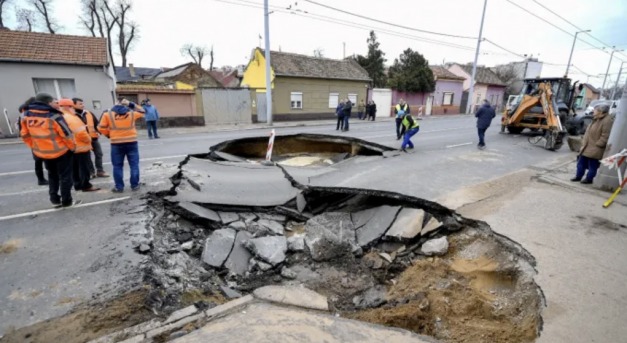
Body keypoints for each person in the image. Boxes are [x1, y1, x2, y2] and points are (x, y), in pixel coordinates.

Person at [20, 93, 78, 207]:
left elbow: (24, 134)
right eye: (53, 102)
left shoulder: (26, 116)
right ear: (48, 103)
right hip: (60, 152)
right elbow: (67, 134)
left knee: (52, 175)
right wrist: (72, 148)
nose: (55, 104)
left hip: (42, 152)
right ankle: (67, 201)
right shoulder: (54, 116)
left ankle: (54, 199)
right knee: (65, 177)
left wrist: (35, 146)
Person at [98, 97, 145, 193]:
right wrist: (130, 103)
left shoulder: (107, 115)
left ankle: (119, 187)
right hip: (131, 142)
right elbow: (143, 111)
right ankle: (134, 185)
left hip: (116, 143)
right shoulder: (131, 113)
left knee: (117, 166)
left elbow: (100, 127)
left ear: (115, 103)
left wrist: (109, 135)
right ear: (124, 104)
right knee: (134, 165)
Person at [59, 99, 100, 192]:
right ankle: (86, 185)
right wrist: (89, 139)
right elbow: (81, 132)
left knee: (75, 168)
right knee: (84, 168)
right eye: (72, 106)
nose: (73, 109)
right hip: (80, 146)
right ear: (67, 107)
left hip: (70, 147)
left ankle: (77, 184)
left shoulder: (61, 117)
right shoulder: (71, 118)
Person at [571, 104, 614, 184]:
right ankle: (578, 176)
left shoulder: (607, 121)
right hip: (587, 146)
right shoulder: (596, 118)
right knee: (581, 163)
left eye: (595, 110)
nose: (593, 111)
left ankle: (589, 179)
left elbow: (606, 135)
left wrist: (598, 144)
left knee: (592, 165)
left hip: (595, 148)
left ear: (600, 112)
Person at [73, 98, 109, 178]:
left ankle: (100, 171)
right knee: (87, 157)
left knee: (99, 154)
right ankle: (91, 172)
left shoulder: (89, 113)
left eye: (82, 103)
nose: (83, 105)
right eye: (80, 104)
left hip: (93, 138)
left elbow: (97, 124)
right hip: (82, 140)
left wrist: (98, 132)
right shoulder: (72, 116)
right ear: (73, 105)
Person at [17, 98, 48, 186]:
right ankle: (42, 179)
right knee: (43, 160)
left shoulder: (23, 115)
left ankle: (41, 179)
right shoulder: (30, 114)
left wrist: (30, 142)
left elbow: (23, 132)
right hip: (38, 140)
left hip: (34, 141)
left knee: (38, 161)